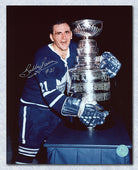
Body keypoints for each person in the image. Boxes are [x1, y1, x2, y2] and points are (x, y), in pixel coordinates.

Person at [15, 20, 121, 164]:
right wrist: (80, 109)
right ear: (52, 37)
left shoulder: (74, 48)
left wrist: (104, 63)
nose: (63, 37)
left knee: (53, 151)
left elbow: (87, 65)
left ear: (71, 34)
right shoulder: (44, 58)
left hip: (57, 111)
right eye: (58, 33)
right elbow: (51, 95)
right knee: (27, 154)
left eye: (66, 32)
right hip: (35, 111)